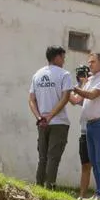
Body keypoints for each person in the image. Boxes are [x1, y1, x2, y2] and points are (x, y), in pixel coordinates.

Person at [71, 52, 100, 200]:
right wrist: (69, 89)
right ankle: (99, 193)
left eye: (93, 62)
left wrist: (75, 88)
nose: (89, 65)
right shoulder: (90, 80)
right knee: (94, 160)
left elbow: (92, 95)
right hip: (89, 125)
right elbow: (77, 100)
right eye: (89, 62)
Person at [28, 45, 72, 189]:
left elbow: (31, 99)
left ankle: (39, 187)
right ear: (57, 57)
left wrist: (39, 117)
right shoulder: (64, 74)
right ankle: (50, 187)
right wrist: (50, 116)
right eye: (63, 58)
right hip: (59, 123)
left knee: (43, 157)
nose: (64, 61)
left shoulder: (37, 75)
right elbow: (66, 98)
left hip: (42, 123)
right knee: (53, 157)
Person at [70, 65, 93, 200]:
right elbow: (74, 100)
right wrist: (66, 88)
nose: (81, 78)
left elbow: (78, 99)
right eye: (79, 76)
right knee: (85, 164)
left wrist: (84, 83)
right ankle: (82, 195)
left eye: (83, 75)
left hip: (96, 130)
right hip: (84, 131)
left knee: (99, 164)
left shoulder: (93, 86)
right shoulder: (81, 87)